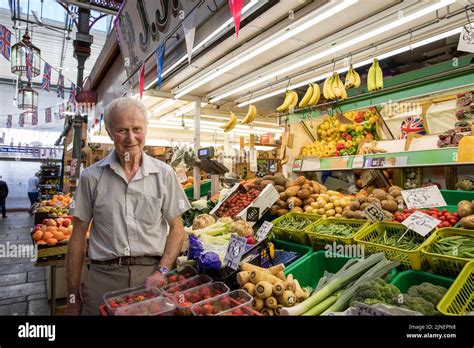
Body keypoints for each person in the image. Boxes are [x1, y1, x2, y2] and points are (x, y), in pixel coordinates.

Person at [65, 97, 191, 315]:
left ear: (146, 130)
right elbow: (76, 238)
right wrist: (73, 296)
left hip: (151, 277)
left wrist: (162, 270)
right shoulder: (91, 177)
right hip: (103, 278)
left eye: (137, 129)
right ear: (109, 132)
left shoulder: (164, 174)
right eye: (122, 130)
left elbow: (177, 229)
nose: (131, 138)